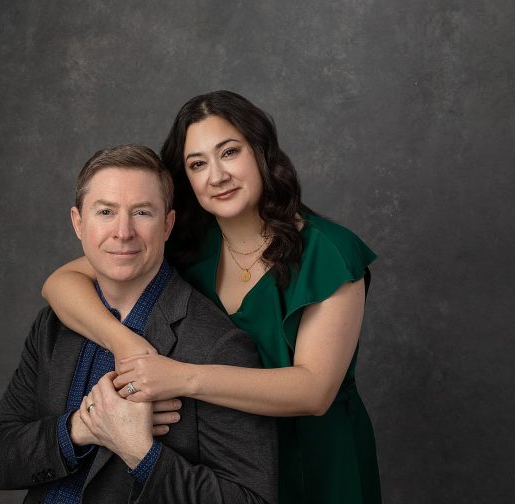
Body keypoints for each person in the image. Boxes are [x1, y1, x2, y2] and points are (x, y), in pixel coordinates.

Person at [41, 91, 381, 503]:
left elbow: (314, 391)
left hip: (315, 461)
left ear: (261, 151)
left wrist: (180, 376)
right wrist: (127, 345)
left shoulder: (329, 252)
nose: (216, 175)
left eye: (230, 152)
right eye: (197, 164)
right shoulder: (186, 243)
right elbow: (60, 283)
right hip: (225, 465)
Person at [0, 144, 277, 504]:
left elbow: (251, 500)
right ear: (78, 223)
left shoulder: (217, 345)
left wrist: (141, 453)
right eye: (105, 211)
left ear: (167, 225)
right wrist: (79, 429)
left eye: (142, 212)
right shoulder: (53, 326)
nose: (123, 232)